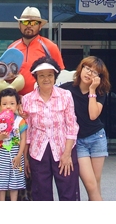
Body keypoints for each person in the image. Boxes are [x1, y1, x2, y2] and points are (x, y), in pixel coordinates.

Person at [21, 56, 80, 201]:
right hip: (38, 151)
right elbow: (27, 130)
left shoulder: (65, 95)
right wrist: (26, 158)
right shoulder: (27, 99)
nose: (46, 79)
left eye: (50, 75)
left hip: (63, 149)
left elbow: (72, 126)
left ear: (55, 77)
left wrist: (67, 154)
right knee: (41, 195)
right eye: (41, 75)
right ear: (36, 78)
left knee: (68, 193)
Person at [59, 56, 111, 201]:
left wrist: (92, 90)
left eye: (94, 72)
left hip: (97, 138)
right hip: (78, 141)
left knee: (96, 183)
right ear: (81, 68)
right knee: (90, 184)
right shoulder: (66, 89)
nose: (89, 73)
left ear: (99, 77)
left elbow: (93, 115)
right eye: (87, 68)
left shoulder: (100, 92)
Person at [8, 6, 65, 96]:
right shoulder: (12, 48)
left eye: (33, 22)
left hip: (44, 99)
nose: (29, 25)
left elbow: (60, 75)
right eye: (25, 22)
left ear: (40, 26)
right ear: (19, 25)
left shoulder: (50, 47)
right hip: (17, 100)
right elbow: (4, 76)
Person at [0, 88, 28, 201]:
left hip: (16, 154)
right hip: (1, 155)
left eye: (12, 103)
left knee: (15, 182)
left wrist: (19, 156)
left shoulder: (20, 121)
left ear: (17, 105)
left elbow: (24, 139)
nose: (8, 107)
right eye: (4, 104)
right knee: (1, 181)